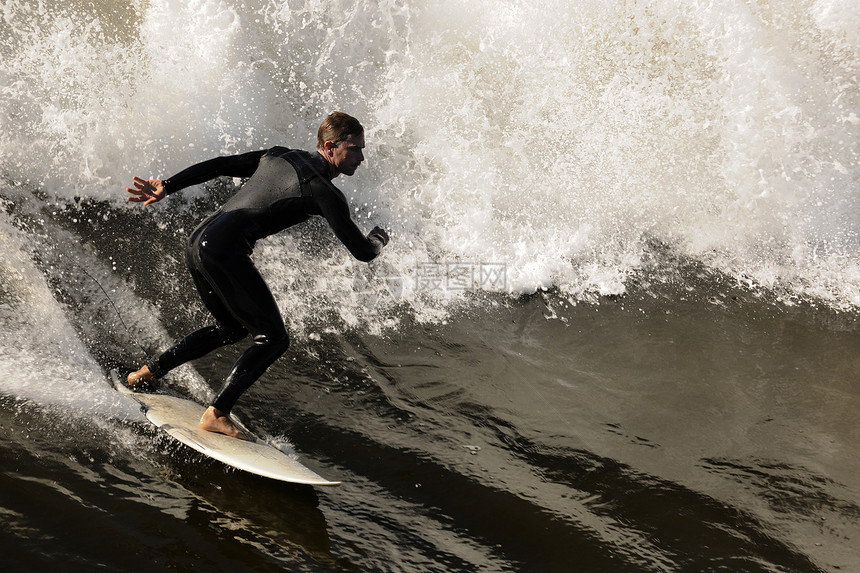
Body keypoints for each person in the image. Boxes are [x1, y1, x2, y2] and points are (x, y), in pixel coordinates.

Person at [124, 112, 389, 439]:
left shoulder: (279, 154)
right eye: (355, 149)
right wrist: (378, 239)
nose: (362, 157)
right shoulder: (324, 192)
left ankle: (147, 374)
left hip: (197, 242)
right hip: (222, 250)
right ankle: (217, 413)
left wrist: (168, 185)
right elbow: (363, 252)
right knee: (274, 338)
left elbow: (220, 164)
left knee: (231, 328)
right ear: (331, 147)